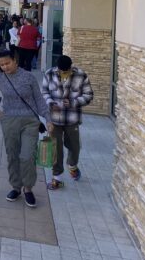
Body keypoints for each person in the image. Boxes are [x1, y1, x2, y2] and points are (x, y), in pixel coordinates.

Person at [0, 49, 53, 208]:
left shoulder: (28, 77)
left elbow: (38, 99)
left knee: (27, 156)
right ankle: (16, 187)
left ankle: (28, 188)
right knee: (12, 155)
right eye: (1, 65)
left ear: (15, 61)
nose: (5, 67)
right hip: (9, 121)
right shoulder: (0, 79)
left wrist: (48, 118)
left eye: (7, 63)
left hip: (29, 122)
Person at [41, 55, 94, 190]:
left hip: (72, 119)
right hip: (54, 119)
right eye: (61, 72)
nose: (64, 74)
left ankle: (72, 165)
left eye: (66, 71)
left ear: (71, 67)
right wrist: (50, 103)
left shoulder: (81, 75)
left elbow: (89, 95)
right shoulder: (49, 74)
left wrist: (73, 103)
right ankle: (57, 178)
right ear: (57, 68)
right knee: (55, 149)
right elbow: (44, 92)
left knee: (74, 147)